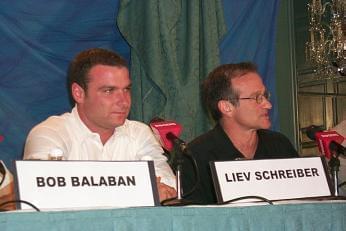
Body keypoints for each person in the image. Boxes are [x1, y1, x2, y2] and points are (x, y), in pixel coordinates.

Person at [23, 48, 176, 202]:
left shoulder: (140, 133)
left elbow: (169, 189)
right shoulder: (49, 134)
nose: (123, 101)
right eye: (109, 91)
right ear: (79, 93)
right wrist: (138, 193)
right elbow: (43, 196)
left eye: (126, 89)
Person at [182, 62, 299, 204]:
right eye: (257, 98)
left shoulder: (280, 145)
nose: (268, 104)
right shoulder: (195, 156)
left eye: (265, 95)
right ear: (227, 107)